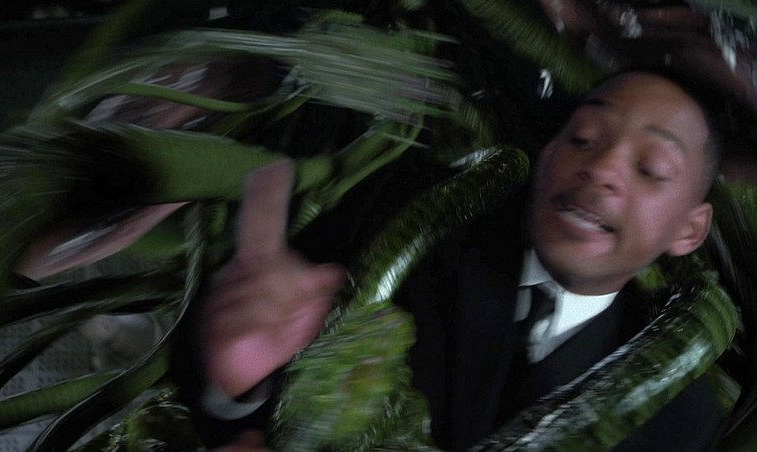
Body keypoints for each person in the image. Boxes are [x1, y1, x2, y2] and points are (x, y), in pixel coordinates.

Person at [182, 68, 729, 451]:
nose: (601, 168)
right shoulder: (401, 213)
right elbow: (219, 394)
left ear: (689, 229)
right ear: (548, 153)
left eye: (650, 168)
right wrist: (234, 391)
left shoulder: (681, 420)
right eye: (583, 139)